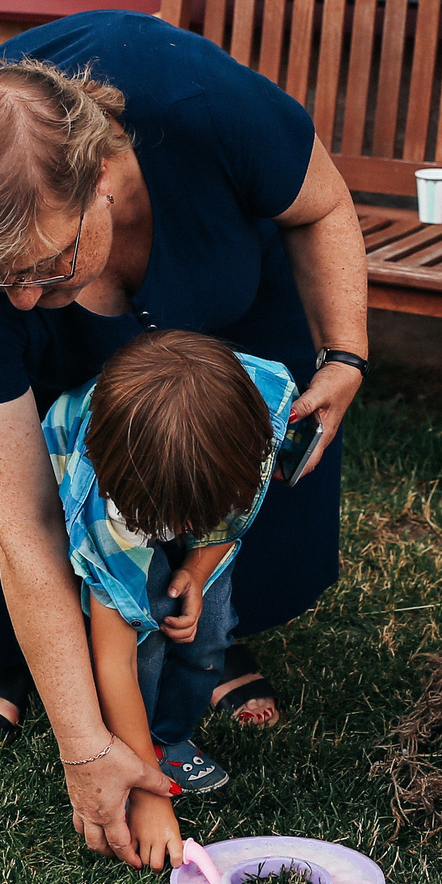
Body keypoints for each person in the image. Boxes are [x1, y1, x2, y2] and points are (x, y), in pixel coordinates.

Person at [0, 10, 370, 867]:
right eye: (2, 281)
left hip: (226, 290)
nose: (24, 299)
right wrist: (87, 752)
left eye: (46, 266)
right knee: (7, 500)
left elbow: (325, 204)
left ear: (103, 178)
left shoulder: (204, 107)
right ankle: (5, 662)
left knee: (204, 451)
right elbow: (28, 529)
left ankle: (220, 638)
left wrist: (346, 353)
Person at [46, 330, 296, 821]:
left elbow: (232, 514)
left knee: (210, 629)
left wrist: (197, 571)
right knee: (146, 634)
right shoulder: (110, 504)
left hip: (167, 485)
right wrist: (148, 791)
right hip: (112, 507)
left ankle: (170, 736)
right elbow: (115, 657)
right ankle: (141, 751)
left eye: (194, 520)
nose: (183, 532)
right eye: (173, 523)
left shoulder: (252, 426)